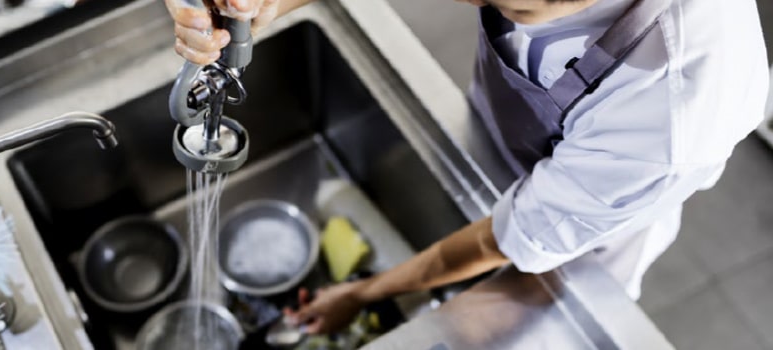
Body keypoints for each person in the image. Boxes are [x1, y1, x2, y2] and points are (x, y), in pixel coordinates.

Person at [165, 0, 769, 335]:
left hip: (583, 235)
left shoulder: (673, 101)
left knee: (522, 317)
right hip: (508, 144)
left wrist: (364, 291)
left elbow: (514, 235)